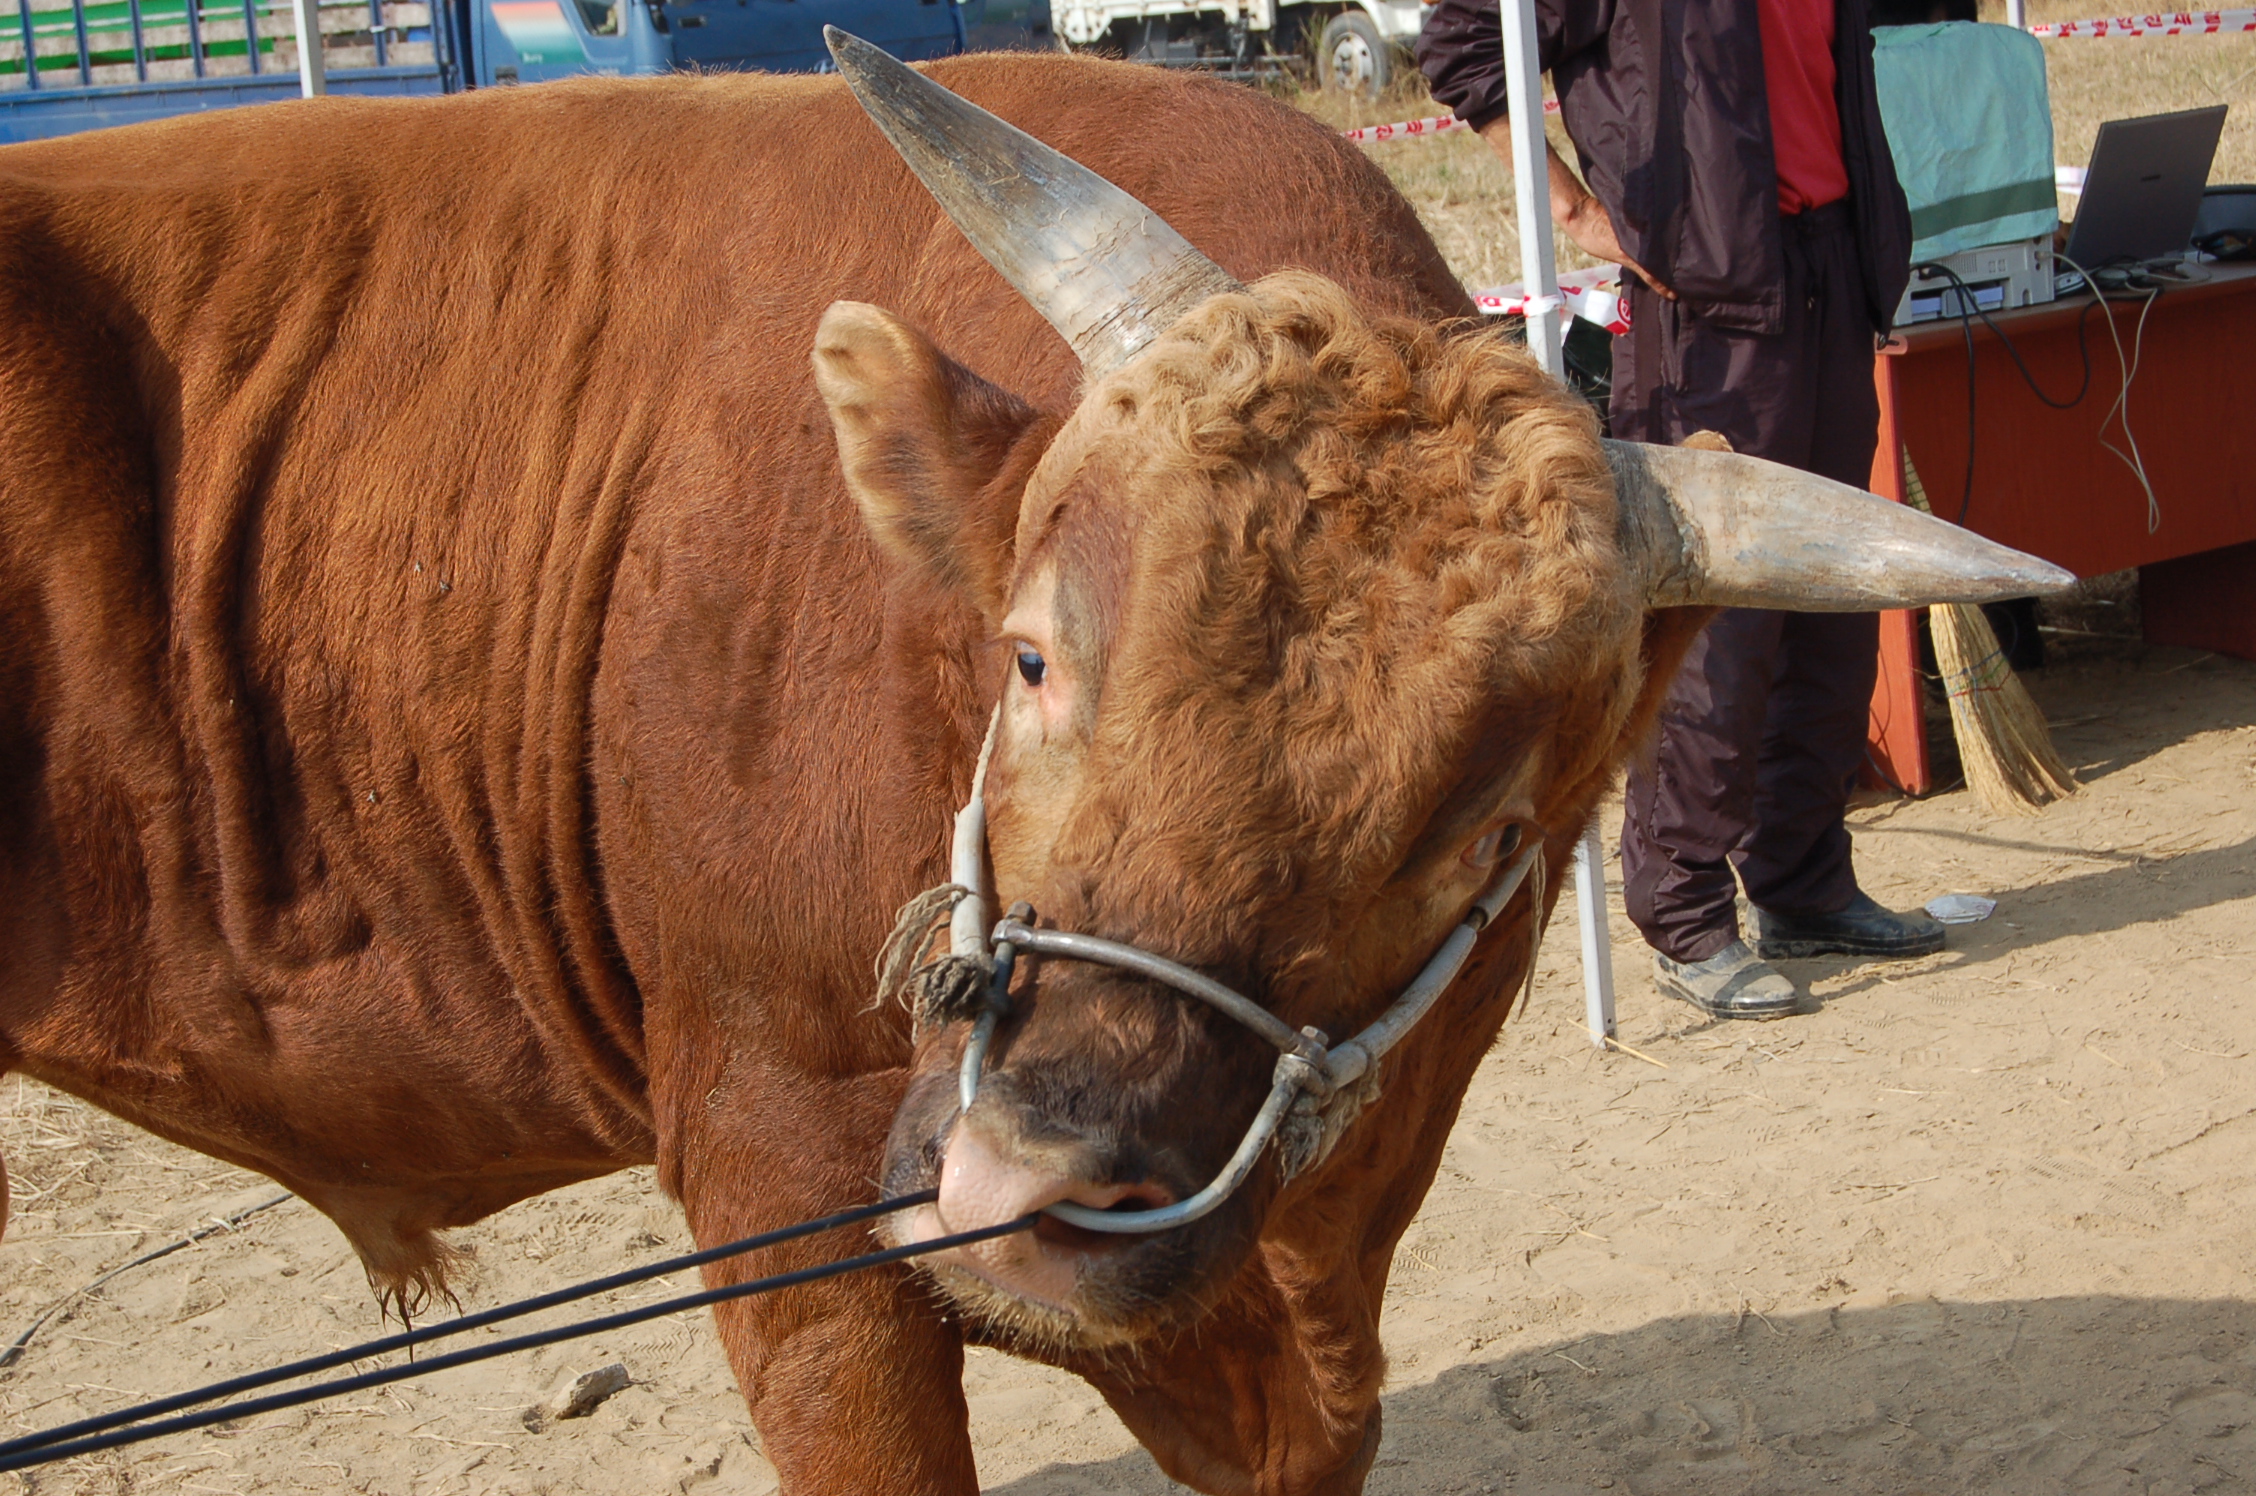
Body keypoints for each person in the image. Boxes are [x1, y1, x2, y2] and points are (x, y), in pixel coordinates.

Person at [1419, 0, 1945, 1020]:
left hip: (1833, 267)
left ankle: (1804, 880)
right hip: (1706, 300)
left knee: (1831, 594)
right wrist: (1575, 208)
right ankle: (1688, 909)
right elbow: (1464, 42)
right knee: (1717, 623)